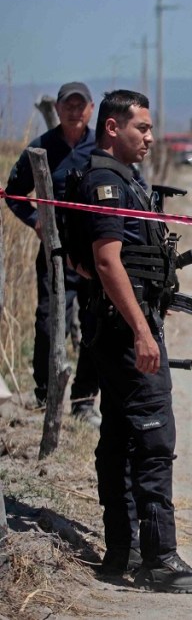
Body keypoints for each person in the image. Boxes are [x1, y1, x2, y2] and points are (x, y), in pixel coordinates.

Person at [77, 89, 192, 592]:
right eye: (142, 128)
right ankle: (161, 559)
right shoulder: (104, 180)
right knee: (154, 441)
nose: (150, 138)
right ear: (113, 128)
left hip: (117, 327)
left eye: (152, 128)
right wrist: (141, 330)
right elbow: (107, 260)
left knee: (119, 438)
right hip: (124, 330)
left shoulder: (121, 178)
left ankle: (122, 551)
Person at [4, 82, 102, 426]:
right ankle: (46, 396)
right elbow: (13, 193)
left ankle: (85, 400)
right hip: (55, 252)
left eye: (80, 105)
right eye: (68, 105)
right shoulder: (41, 149)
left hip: (96, 253)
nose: (74, 111)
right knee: (48, 322)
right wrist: (35, 222)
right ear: (57, 109)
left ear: (91, 109)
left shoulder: (103, 147)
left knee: (94, 324)